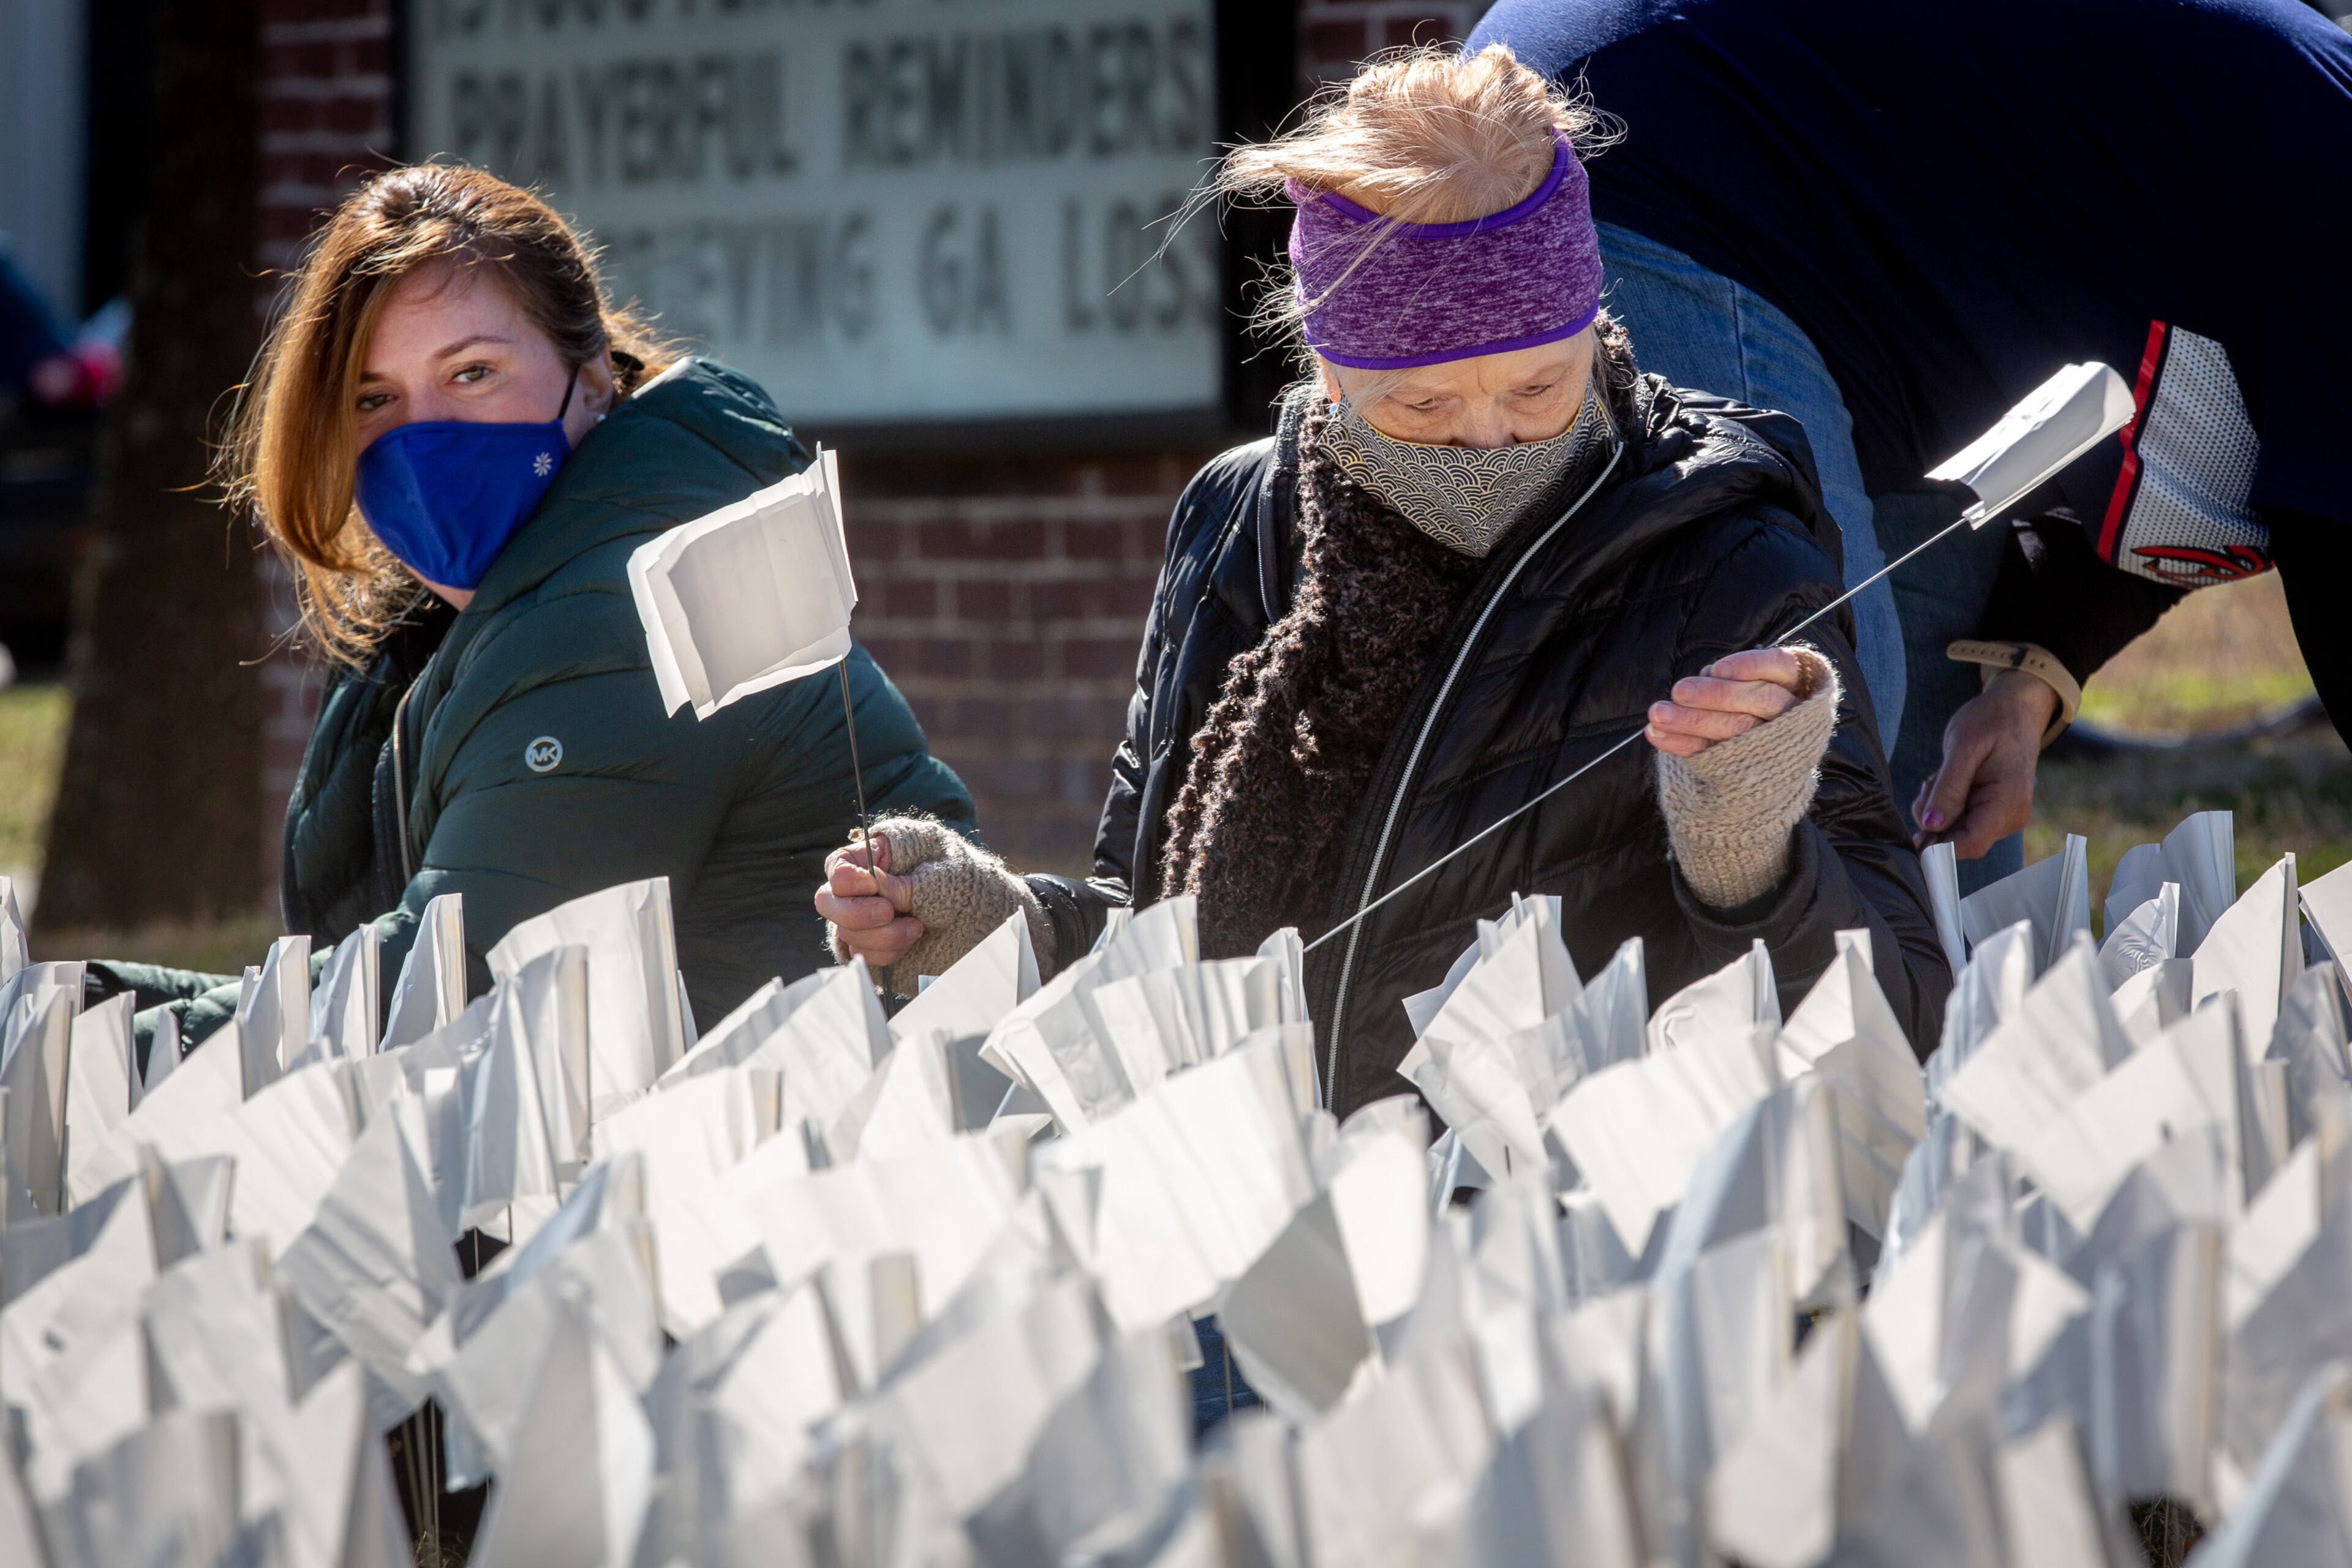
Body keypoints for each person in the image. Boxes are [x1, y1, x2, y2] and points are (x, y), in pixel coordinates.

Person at [820, 45, 1950, 1121]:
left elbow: (1904, 1026)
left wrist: (1752, 857)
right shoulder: (1240, 520)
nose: (1488, 439)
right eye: (1420, 405)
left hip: (1558, 1257)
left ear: (1592, 330)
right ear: (1330, 368)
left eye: (1538, 386)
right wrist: (997, 928)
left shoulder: (1728, 554)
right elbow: (1152, 931)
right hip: (1254, 1218)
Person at [1468, 0, 2352, 889]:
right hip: (1661, 147)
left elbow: (2193, 453)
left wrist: (2034, 676)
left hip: (1866, 264)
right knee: (1817, 718)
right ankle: (1701, 1020)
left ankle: (1924, 1024)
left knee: (1938, 762)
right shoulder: (2332, 178)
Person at [97, 164, 973, 1051]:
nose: (423, 435)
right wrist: (97, 1004)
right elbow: (377, 973)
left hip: (801, 1153)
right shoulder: (437, 623)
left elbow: (446, 989)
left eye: (472, 372)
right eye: (374, 398)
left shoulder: (637, 600)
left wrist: (94, 1052)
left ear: (592, 379)